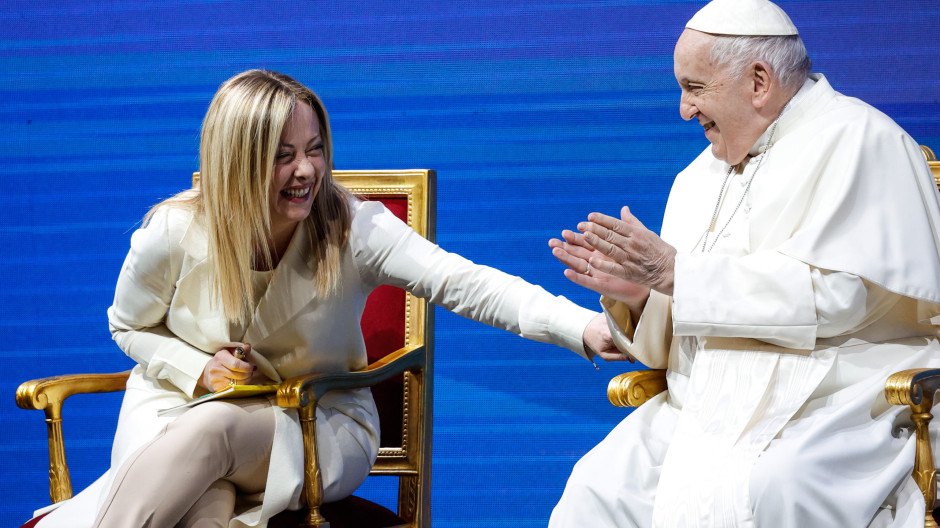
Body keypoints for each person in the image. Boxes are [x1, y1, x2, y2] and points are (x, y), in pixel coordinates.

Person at [29, 69, 622, 528]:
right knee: (202, 509)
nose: (307, 170)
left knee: (213, 436)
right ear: (237, 161)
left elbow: (467, 284)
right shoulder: (174, 231)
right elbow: (127, 327)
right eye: (283, 155)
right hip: (170, 410)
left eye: (314, 149)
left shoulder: (354, 230)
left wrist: (581, 328)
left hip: (314, 423)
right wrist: (197, 368)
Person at [547, 0, 940, 526]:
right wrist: (642, 299)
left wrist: (676, 275)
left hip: (836, 400)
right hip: (704, 410)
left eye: (695, 87)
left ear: (759, 81)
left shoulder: (862, 141)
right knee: (595, 487)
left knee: (778, 485)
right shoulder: (697, 177)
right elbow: (675, 344)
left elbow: (840, 299)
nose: (684, 109)